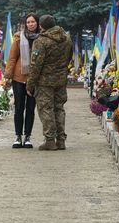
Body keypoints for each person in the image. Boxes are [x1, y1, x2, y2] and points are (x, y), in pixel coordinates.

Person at [27, 14, 73, 151]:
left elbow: (36, 65)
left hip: (45, 82)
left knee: (46, 109)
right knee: (59, 108)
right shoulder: (66, 39)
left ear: (41, 26)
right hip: (61, 79)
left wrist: (30, 84)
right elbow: (69, 57)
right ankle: (61, 140)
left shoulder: (41, 41)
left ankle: (49, 140)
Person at [4, 13, 40, 148]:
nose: (31, 24)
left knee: (31, 108)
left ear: (37, 23)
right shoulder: (19, 38)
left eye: (33, 22)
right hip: (19, 78)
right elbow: (12, 58)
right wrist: (8, 75)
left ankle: (28, 136)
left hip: (35, 79)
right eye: (28, 22)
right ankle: (18, 136)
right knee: (19, 107)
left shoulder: (42, 38)